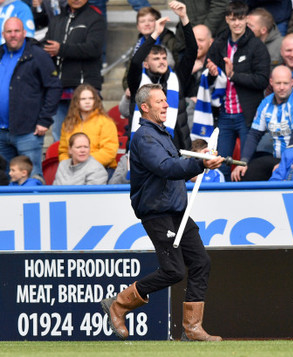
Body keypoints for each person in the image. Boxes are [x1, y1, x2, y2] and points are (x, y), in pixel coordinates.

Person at [100, 83, 224, 341]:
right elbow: (166, 167)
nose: (166, 105)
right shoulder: (144, 137)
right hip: (158, 213)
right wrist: (200, 164)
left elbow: (176, 165)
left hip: (177, 209)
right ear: (145, 107)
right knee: (174, 271)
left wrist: (199, 161)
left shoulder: (162, 134)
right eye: (160, 101)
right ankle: (120, 304)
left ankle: (192, 329)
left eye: (166, 100)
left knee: (201, 262)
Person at [205, 0, 270, 181]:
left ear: (246, 19)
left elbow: (263, 80)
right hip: (224, 113)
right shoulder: (219, 43)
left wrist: (234, 75)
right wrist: (211, 72)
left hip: (246, 114)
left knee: (247, 165)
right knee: (221, 165)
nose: (237, 23)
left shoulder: (257, 46)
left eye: (240, 19)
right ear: (227, 19)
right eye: (233, 19)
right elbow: (210, 71)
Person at [128, 1, 196, 152]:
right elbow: (135, 61)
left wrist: (184, 18)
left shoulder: (176, 78)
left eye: (164, 58)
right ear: (146, 64)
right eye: (156, 58)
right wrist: (155, 34)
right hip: (145, 148)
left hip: (176, 147)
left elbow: (192, 52)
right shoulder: (137, 81)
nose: (162, 62)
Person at [0, 17, 61, 179]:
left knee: (32, 179)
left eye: (17, 31)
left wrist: (44, 120)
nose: (13, 35)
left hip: (28, 132)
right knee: (5, 180)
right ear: (3, 34)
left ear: (24, 33)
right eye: (9, 31)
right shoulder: (0, 54)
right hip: (1, 132)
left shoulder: (37, 55)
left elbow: (54, 86)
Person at [231, 65, 293, 182]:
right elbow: (254, 134)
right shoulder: (266, 103)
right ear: (271, 82)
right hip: (275, 158)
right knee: (243, 174)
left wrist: (284, 163)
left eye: (285, 83)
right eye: (278, 83)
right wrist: (243, 162)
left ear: (292, 82)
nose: (282, 87)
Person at [43, 0, 106, 142]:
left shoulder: (95, 18)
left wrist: (61, 49)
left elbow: (94, 49)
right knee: (59, 138)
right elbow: (48, 43)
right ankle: (63, 164)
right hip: (60, 88)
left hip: (85, 87)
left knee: (88, 138)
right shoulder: (57, 19)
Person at [58, 84, 118, 170]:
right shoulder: (68, 123)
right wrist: (71, 164)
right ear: (76, 101)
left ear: (95, 101)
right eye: (83, 99)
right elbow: (63, 151)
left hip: (101, 168)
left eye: (91, 98)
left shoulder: (106, 122)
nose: (87, 101)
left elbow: (109, 152)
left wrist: (84, 163)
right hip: (73, 169)